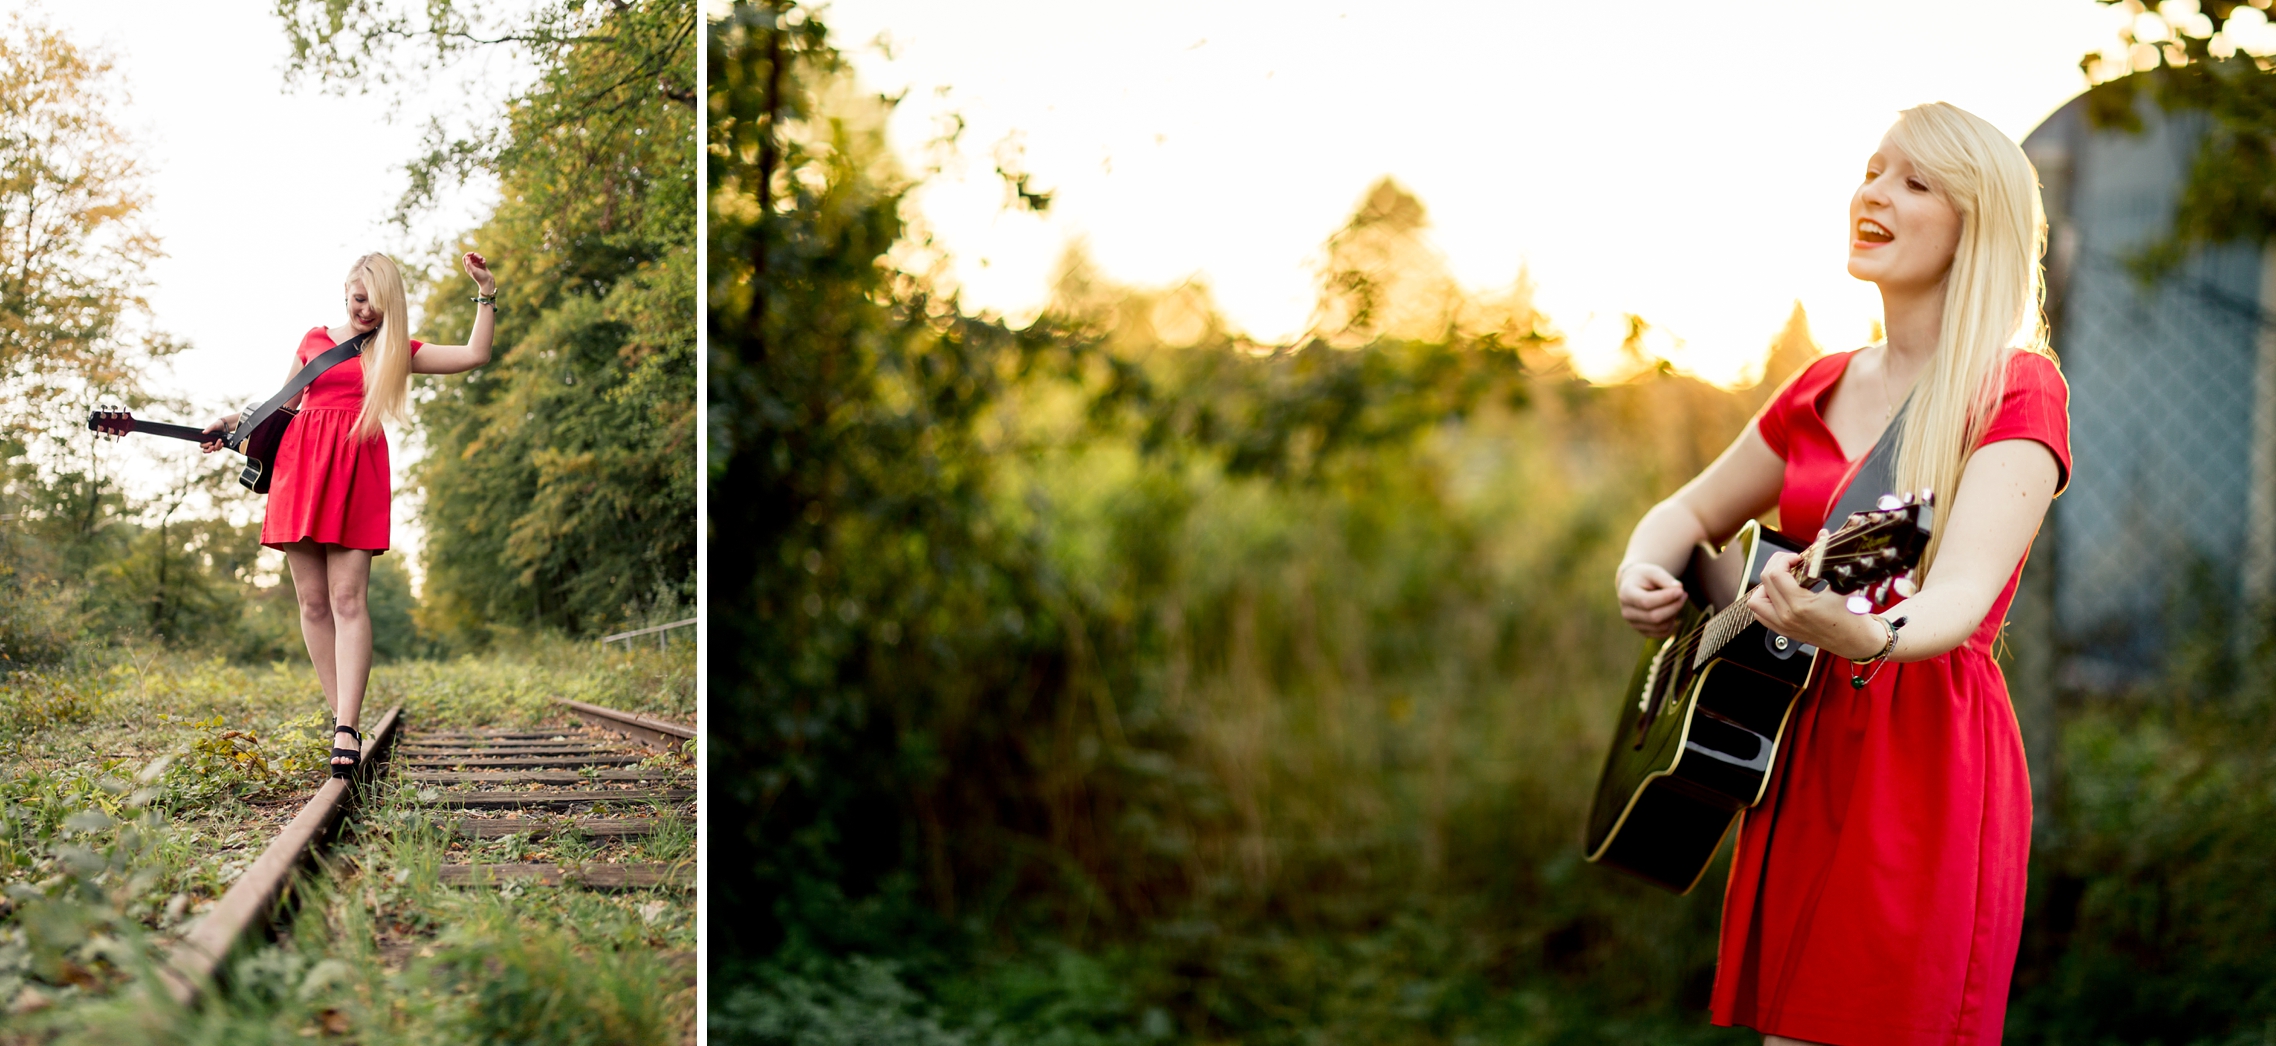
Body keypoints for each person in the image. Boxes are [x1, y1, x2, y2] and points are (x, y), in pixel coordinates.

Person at [1613, 102, 2070, 1045]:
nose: (1873, 193)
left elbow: (1958, 594)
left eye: (1914, 182)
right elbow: (1686, 513)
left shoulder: (2016, 389)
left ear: (1975, 225)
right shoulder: (1819, 385)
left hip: (1917, 757)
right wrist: (1643, 567)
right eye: (1871, 170)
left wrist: (1868, 635)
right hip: (1791, 742)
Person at [203, 251, 498, 777]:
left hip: (356, 472)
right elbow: (282, 401)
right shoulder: (313, 340)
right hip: (300, 471)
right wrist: (229, 420)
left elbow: (476, 354)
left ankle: (345, 727)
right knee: (313, 602)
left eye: (378, 304)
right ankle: (344, 718)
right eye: (361, 300)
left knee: (347, 598)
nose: (367, 312)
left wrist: (486, 292)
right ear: (346, 291)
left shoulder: (394, 350)